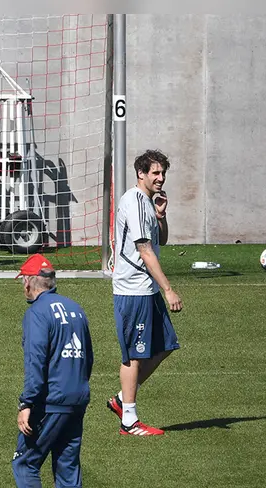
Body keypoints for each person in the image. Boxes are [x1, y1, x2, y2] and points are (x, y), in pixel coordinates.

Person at [4, 254, 93, 488]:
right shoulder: (76, 309)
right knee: (67, 468)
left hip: (50, 401)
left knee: (25, 463)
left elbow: (36, 361)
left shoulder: (37, 314)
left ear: (30, 281)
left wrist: (27, 402)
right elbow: (88, 358)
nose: (23, 287)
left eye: (23, 281)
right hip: (77, 398)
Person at [107, 150, 182, 436]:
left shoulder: (148, 203)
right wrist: (169, 289)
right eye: (155, 173)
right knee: (134, 356)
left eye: (163, 173)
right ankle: (129, 420)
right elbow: (144, 248)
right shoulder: (134, 202)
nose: (161, 178)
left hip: (145, 288)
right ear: (141, 174)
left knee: (164, 347)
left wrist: (161, 216)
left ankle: (121, 399)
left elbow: (160, 238)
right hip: (133, 290)